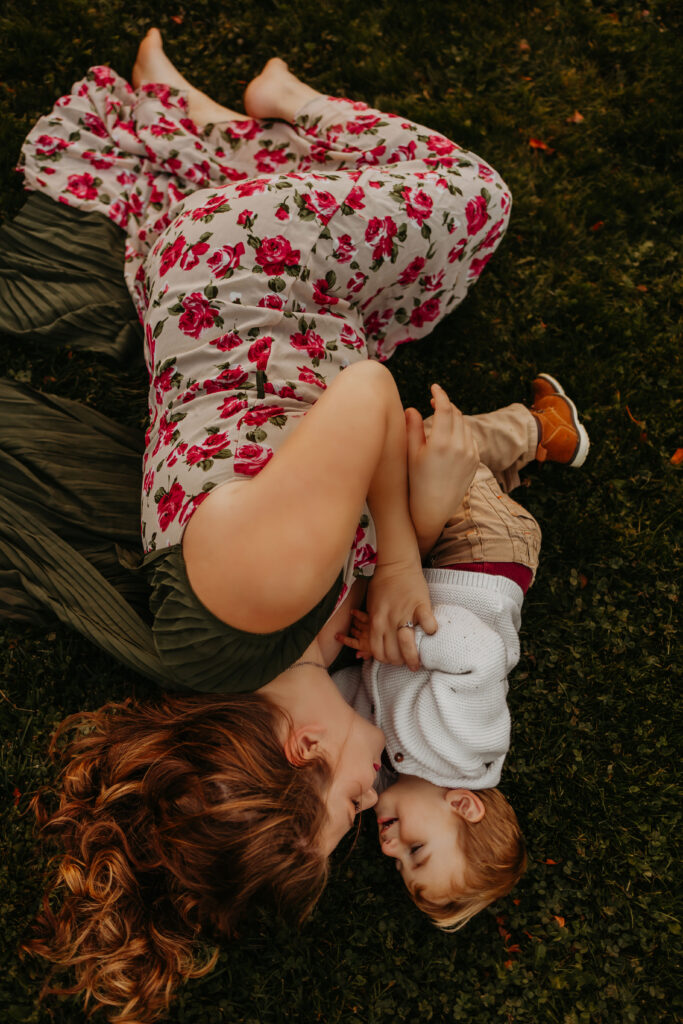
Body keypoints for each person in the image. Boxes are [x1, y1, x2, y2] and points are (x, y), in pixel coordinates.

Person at [18, 28, 516, 1024]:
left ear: (297, 754)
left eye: (344, 813)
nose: (374, 804)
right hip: (294, 332)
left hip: (242, 267)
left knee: (472, 201)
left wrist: (408, 551)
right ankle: (195, 118)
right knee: (421, 292)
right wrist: (416, 500)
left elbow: (372, 395)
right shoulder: (280, 648)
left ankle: (281, 99)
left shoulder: (257, 597)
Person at [334, 374, 589, 929]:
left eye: (401, 866)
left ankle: (516, 460)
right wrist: (409, 641)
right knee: (428, 446)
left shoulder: (386, 776)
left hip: (435, 563)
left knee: (427, 479)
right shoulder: (470, 746)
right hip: (481, 555)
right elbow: (481, 654)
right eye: (417, 851)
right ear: (464, 806)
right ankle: (541, 428)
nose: (390, 850)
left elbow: (353, 700)